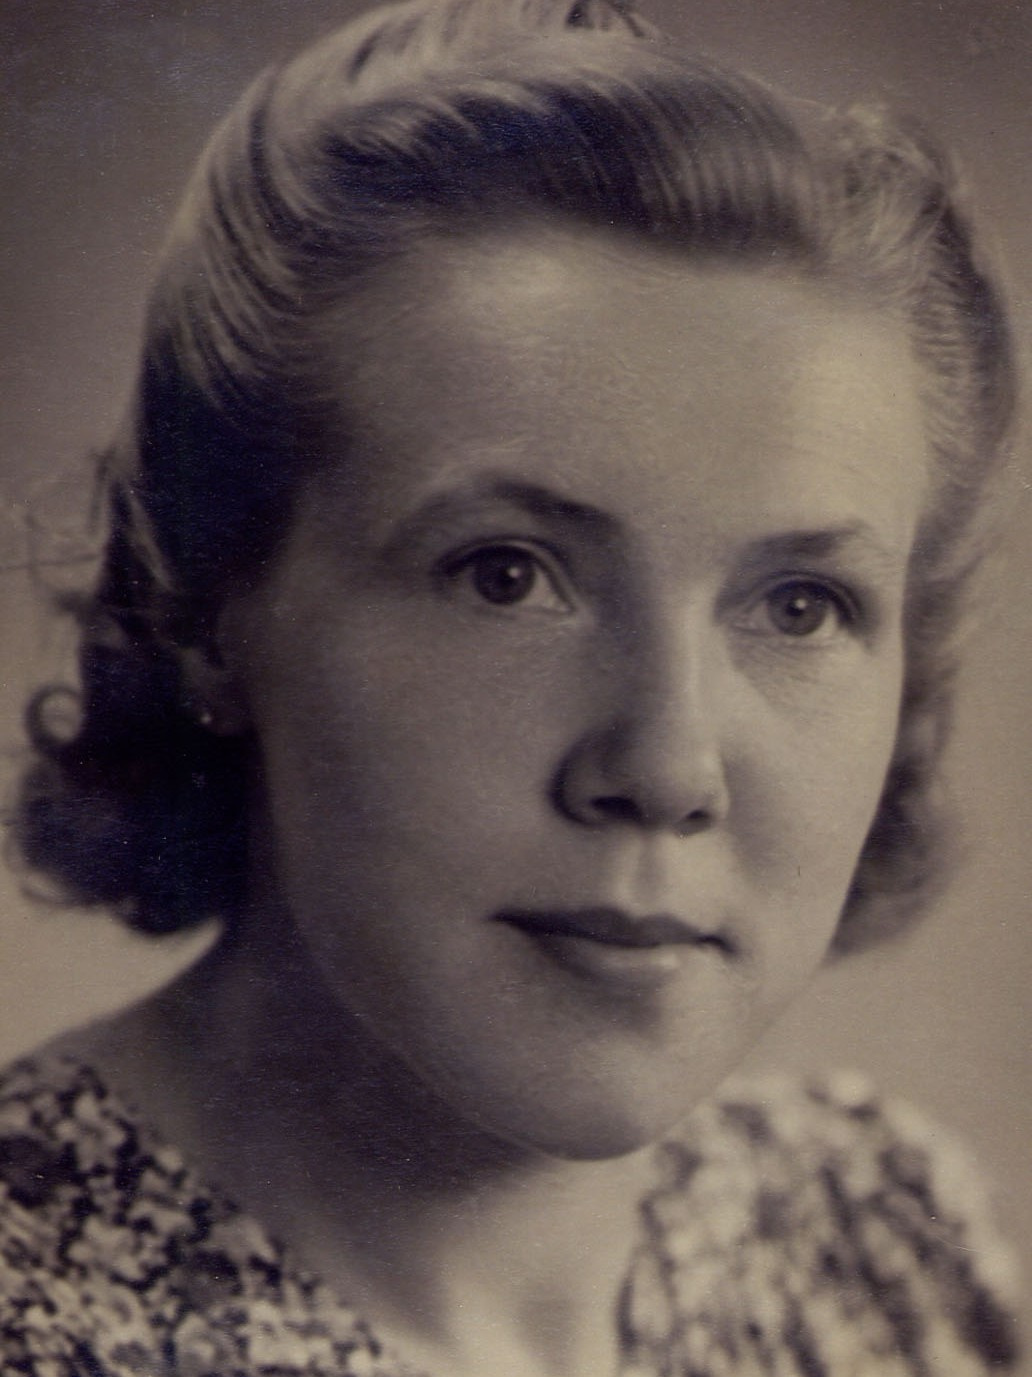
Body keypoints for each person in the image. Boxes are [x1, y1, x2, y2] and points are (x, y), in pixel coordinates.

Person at [0, 0, 1022, 1372]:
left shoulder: (873, 1231)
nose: (667, 766)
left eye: (801, 605)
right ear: (210, 609)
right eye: (505, 575)